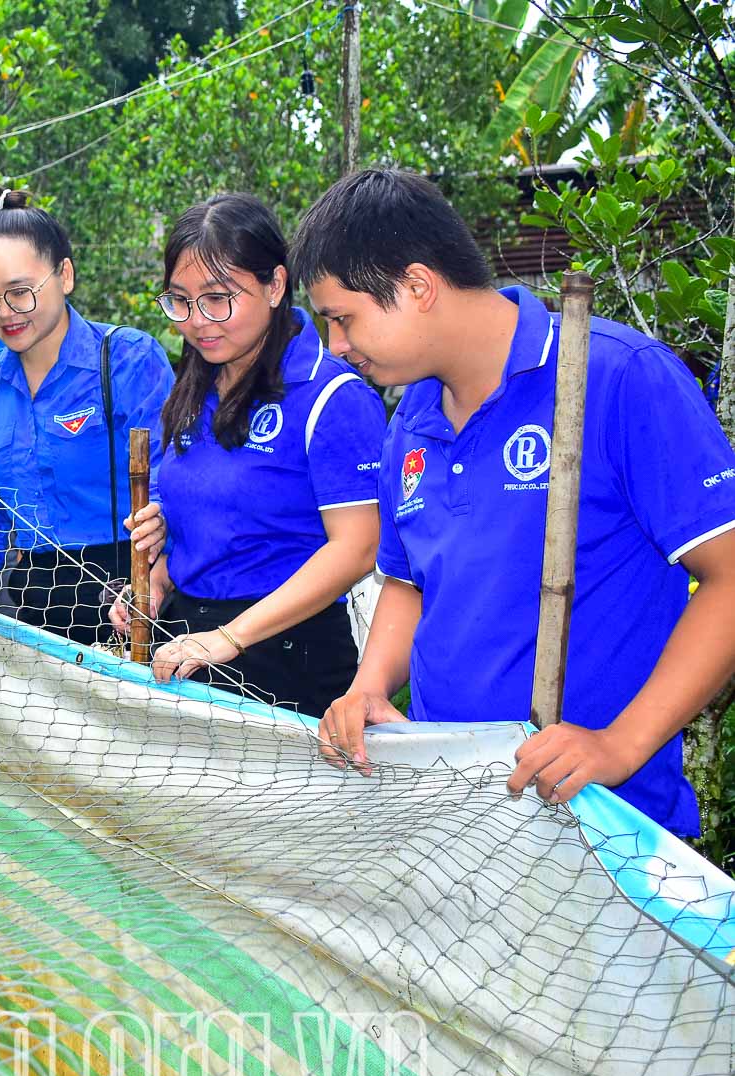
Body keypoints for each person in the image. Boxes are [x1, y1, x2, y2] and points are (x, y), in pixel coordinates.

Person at [294, 168, 735, 838]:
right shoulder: (411, 417)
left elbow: (729, 578)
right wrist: (368, 685)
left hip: (603, 828)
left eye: (343, 319)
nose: (337, 346)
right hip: (453, 814)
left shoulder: (614, 379)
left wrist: (618, 743)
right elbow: (410, 583)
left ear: (417, 286)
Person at [115, 193, 385, 718]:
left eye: (219, 298)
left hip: (285, 655)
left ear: (275, 285)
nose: (198, 322)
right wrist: (155, 583)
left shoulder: (332, 396)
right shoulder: (194, 389)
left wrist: (230, 638)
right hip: (190, 643)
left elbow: (358, 548)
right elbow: (212, 529)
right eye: (179, 301)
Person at [0, 187, 171, 646]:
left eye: (21, 292)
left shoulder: (126, 361)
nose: (5, 312)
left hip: (130, 587)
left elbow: (176, 471)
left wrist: (160, 558)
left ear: (64, 275)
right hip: (33, 595)